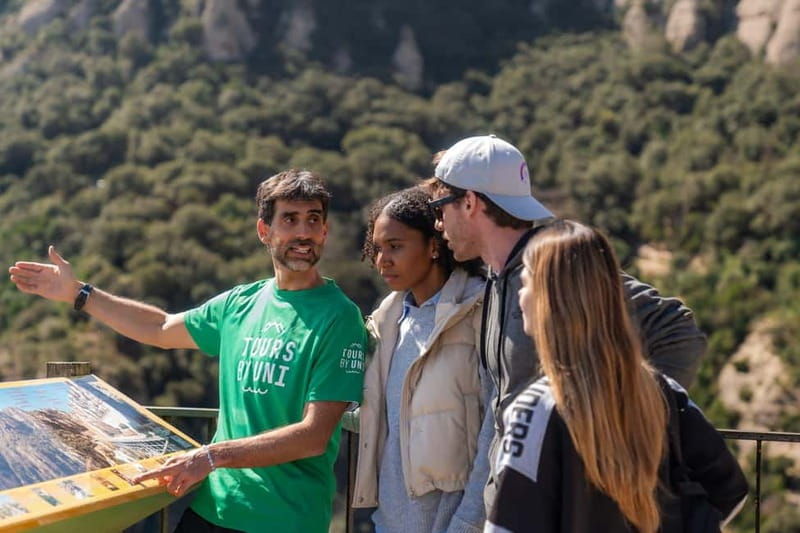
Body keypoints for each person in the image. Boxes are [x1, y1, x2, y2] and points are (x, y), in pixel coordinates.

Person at [8, 169, 367, 533]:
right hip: (213, 508)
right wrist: (79, 294)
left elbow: (313, 435)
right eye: (290, 219)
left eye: (313, 220)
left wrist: (212, 456)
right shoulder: (240, 303)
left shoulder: (340, 318)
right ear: (264, 231)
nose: (303, 232)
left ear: (325, 231)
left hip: (286, 520)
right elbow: (160, 328)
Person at [425, 134, 708, 509]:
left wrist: (632, 428)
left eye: (440, 208)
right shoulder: (498, 276)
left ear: (470, 202)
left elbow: (678, 332)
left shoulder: (557, 267)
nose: (439, 224)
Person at [484, 220, 747, 532]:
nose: (520, 296)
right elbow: (732, 492)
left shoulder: (534, 410)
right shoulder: (663, 391)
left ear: (550, 298)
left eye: (526, 283)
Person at [349, 186, 492, 533]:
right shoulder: (386, 321)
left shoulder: (479, 310)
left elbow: (496, 423)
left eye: (395, 247)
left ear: (433, 245)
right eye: (378, 249)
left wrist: (469, 521)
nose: (383, 260)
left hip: (455, 523)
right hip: (390, 522)